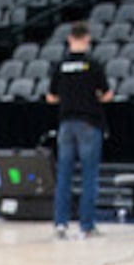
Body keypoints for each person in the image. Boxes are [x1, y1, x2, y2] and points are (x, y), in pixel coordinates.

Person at [44, 22, 114, 240]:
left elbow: (51, 97)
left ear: (69, 39)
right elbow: (106, 94)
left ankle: (60, 224)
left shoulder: (60, 65)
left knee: (64, 175)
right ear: (87, 39)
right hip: (89, 123)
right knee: (89, 176)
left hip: (66, 123)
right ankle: (87, 226)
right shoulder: (93, 64)